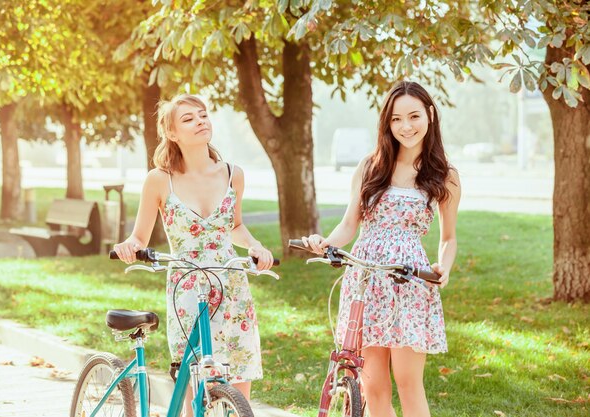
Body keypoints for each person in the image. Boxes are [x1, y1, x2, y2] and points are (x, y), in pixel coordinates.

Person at [302, 81, 460, 417]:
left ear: (429, 115)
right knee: (372, 386)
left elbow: (448, 237)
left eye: (414, 116)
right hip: (366, 278)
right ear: (386, 123)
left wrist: (443, 266)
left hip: (410, 280)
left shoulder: (445, 176)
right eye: (396, 119)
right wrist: (326, 242)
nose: (406, 126)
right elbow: (349, 224)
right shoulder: (370, 166)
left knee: (407, 382)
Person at [113, 94, 274, 410]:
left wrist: (255, 246)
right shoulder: (160, 180)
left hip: (230, 283)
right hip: (187, 286)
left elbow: (235, 226)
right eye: (188, 118)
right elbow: (140, 236)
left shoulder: (232, 174)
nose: (200, 121)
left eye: (203, 115)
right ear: (172, 133)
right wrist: (129, 247)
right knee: (194, 385)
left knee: (238, 380)